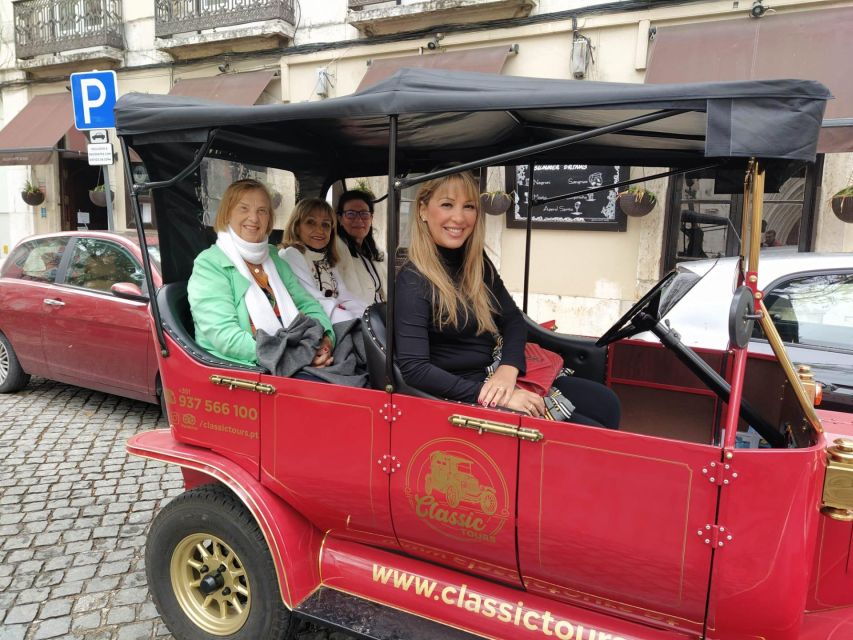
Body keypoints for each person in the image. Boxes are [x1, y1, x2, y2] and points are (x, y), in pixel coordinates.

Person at [394, 171, 620, 428]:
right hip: (462, 392)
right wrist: (495, 394)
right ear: (423, 210)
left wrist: (509, 368)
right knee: (593, 430)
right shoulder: (413, 280)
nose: (459, 217)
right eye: (447, 204)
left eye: (469, 206)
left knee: (606, 402)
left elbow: (513, 320)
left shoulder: (477, 265)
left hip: (496, 371)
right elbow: (415, 369)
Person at [187, 179, 335, 372]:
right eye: (244, 208)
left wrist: (325, 341)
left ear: (269, 219)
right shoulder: (209, 263)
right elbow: (224, 336)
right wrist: (295, 356)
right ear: (227, 214)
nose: (254, 218)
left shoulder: (273, 255)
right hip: (243, 368)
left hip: (296, 351)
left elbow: (307, 304)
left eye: (262, 211)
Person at [279, 198, 366, 324]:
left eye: (325, 224)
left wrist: (366, 312)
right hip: (314, 321)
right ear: (297, 227)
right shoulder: (291, 254)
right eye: (311, 222)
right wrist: (352, 318)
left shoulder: (326, 257)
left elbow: (344, 296)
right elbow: (313, 299)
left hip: (337, 317)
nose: (320, 230)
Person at [335, 190, 386, 306]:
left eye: (364, 214)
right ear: (340, 219)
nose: (358, 220)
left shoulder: (375, 252)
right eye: (351, 214)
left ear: (371, 218)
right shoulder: (335, 251)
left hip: (383, 311)